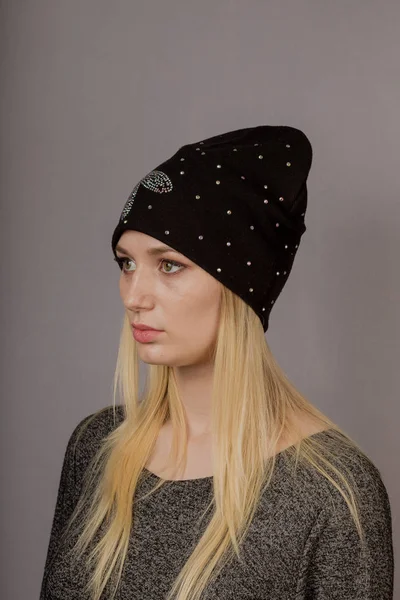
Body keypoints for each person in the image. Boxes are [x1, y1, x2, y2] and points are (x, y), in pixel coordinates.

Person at [40, 125, 394, 600]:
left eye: (168, 265)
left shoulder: (332, 492)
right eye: (126, 262)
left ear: (239, 290)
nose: (134, 295)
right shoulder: (98, 446)